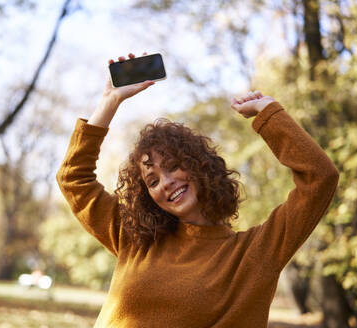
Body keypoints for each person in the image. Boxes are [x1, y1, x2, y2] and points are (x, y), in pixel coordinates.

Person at [56, 53, 340, 327]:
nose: (165, 182)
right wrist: (109, 101)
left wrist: (268, 115)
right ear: (149, 196)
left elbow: (319, 179)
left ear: (199, 167)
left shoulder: (254, 255)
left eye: (172, 166)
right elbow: (73, 179)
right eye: (152, 180)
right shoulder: (136, 239)